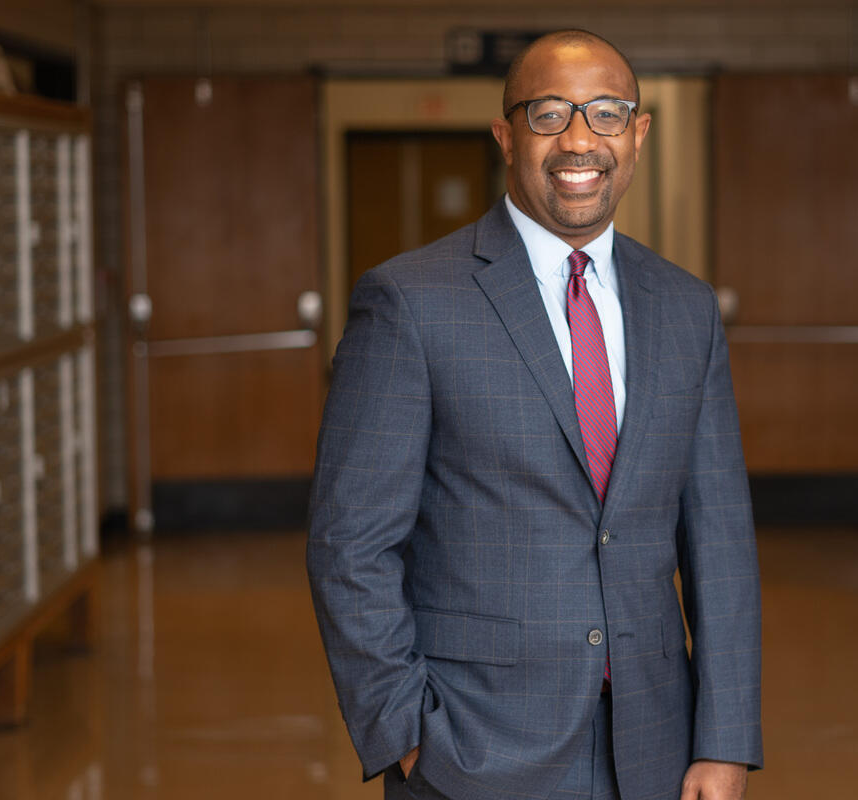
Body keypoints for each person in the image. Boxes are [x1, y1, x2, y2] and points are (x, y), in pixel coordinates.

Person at [307, 29, 762, 800]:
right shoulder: (411, 302)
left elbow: (719, 541)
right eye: (550, 114)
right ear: (505, 134)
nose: (580, 139)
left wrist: (724, 742)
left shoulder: (686, 309)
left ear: (638, 134)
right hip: (471, 752)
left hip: (655, 749)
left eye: (606, 114)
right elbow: (349, 544)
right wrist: (408, 733)